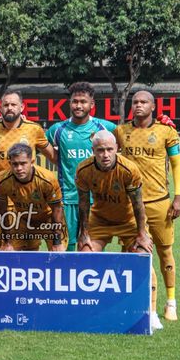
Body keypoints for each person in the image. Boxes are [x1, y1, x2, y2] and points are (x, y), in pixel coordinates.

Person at [74, 130, 162, 330]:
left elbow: (138, 203)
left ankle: (151, 312)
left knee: (143, 258)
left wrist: (142, 233)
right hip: (100, 218)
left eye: (109, 150)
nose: (105, 154)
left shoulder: (129, 169)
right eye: (100, 150)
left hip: (129, 220)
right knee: (85, 257)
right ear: (93, 151)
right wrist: (84, 233)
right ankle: (92, 309)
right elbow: (83, 204)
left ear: (117, 149)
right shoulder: (83, 170)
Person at [114, 90, 180, 322]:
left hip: (159, 202)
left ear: (153, 107)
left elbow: (176, 165)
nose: (138, 105)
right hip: (129, 204)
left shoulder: (166, 131)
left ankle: (171, 303)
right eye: (135, 102)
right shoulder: (121, 131)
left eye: (144, 102)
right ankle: (132, 302)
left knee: (165, 251)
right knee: (129, 252)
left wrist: (178, 196)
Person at [0, 90, 57, 250]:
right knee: (0, 248)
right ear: (0, 107)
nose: (9, 108)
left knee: (29, 247)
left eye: (13, 104)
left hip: (27, 198)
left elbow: (54, 157)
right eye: (6, 104)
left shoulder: (34, 129)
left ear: (22, 107)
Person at [46, 82, 117, 251]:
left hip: (97, 200)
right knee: (66, 246)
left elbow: (128, 135)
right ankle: (66, 277)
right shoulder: (58, 129)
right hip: (67, 197)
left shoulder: (104, 127)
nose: (78, 105)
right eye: (75, 101)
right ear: (70, 103)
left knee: (91, 247)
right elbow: (37, 141)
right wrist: (58, 160)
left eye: (83, 101)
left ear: (91, 104)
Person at [0, 143, 67, 251]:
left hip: (49, 219)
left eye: (23, 163)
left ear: (32, 162)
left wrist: (57, 242)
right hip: (23, 219)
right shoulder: (1, 181)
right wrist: (7, 242)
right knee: (10, 255)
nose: (19, 168)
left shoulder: (47, 179)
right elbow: (2, 211)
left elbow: (57, 209)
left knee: (58, 256)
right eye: (15, 164)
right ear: (10, 163)